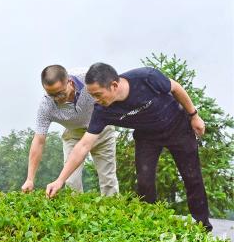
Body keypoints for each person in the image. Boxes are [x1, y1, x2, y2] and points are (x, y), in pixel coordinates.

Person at [46, 63, 213, 231]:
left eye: (98, 94)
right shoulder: (102, 111)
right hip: (147, 136)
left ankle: (203, 226)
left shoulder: (146, 77)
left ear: (114, 85)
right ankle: (150, 225)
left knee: (192, 178)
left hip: (177, 127)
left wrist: (194, 115)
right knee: (144, 183)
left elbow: (176, 88)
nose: (96, 100)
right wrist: (60, 180)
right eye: (92, 95)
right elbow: (83, 145)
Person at [21, 65, 119, 196]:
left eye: (60, 93)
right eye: (51, 94)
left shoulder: (88, 79)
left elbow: (113, 88)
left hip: (101, 131)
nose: (56, 98)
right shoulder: (46, 105)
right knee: (71, 182)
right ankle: (76, 215)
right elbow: (38, 141)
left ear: (69, 82)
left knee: (108, 180)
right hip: (74, 134)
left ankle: (111, 211)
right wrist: (30, 179)